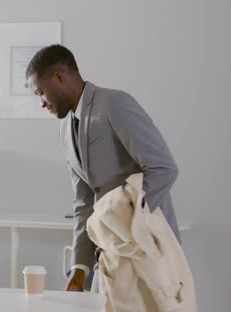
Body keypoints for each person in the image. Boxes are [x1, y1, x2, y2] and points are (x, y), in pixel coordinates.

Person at [26, 44, 181, 292]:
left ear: (58, 77)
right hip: (109, 254)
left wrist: (121, 223)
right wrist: (79, 270)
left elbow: (163, 169)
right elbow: (84, 200)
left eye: (41, 92)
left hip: (148, 247)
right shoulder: (65, 128)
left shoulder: (114, 103)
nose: (42, 103)